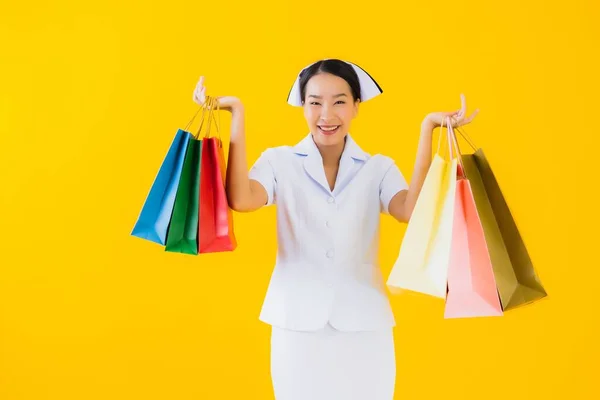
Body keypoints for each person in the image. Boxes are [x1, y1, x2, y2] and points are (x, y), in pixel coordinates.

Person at [192, 59, 478, 400]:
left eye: (339, 101)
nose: (326, 114)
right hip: (295, 325)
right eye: (314, 102)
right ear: (303, 106)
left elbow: (410, 211)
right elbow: (241, 198)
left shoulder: (378, 168)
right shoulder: (279, 161)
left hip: (365, 327)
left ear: (357, 106)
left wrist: (428, 129)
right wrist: (236, 112)